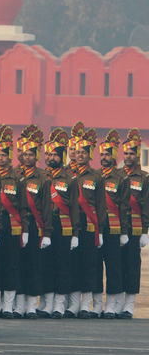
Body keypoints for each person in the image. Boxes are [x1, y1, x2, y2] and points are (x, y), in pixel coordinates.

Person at [41, 128, 80, 318]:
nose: (51, 157)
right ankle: (48, 304)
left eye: (55, 154)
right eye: (48, 154)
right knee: (46, 265)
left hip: (64, 226)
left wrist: (75, 234)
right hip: (45, 226)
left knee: (63, 266)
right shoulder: (41, 177)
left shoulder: (70, 178)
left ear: (62, 156)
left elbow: (74, 208)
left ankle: (59, 304)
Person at [16, 125, 52, 318]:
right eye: (23, 153)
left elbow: (46, 208)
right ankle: (18, 305)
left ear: (36, 156)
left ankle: (31, 305)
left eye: (30, 154)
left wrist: (47, 233)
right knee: (18, 264)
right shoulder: (13, 175)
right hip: (16, 225)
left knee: (33, 265)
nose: (26, 157)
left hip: (35, 225)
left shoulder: (42, 178)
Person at [0, 125, 23, 318]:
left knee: (11, 263)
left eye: (3, 155)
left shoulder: (17, 178)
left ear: (9, 156)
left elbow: (23, 207)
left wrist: (24, 230)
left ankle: (8, 305)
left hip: (11, 223)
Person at [72, 128, 107, 318]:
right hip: (71, 225)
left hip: (89, 224)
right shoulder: (68, 175)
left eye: (83, 153)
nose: (80, 155)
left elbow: (101, 205)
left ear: (89, 155)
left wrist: (100, 229)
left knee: (88, 264)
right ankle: (74, 304)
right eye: (77, 152)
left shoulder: (96, 177)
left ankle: (86, 304)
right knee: (74, 264)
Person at [96, 129, 129, 318]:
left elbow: (124, 206)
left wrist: (124, 231)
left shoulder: (121, 179)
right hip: (97, 226)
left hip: (115, 227)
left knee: (114, 266)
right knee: (96, 265)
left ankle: (112, 305)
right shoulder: (96, 176)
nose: (104, 157)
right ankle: (97, 304)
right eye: (101, 154)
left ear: (114, 156)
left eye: (107, 154)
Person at [120, 129, 149, 319]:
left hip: (135, 227)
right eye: (126, 153)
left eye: (132, 153)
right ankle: (115, 302)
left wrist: (145, 231)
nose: (128, 156)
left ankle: (129, 304)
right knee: (116, 264)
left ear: (137, 155)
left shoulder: (144, 177)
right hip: (116, 226)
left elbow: (146, 204)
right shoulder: (115, 175)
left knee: (132, 264)